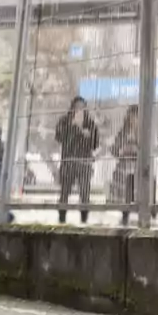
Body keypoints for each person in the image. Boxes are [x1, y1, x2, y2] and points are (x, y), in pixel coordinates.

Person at [54, 96, 100, 224]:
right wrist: (73, 126)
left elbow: (95, 144)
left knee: (85, 193)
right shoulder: (65, 121)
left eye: (82, 107)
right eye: (77, 107)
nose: (79, 110)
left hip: (84, 162)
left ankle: (84, 219)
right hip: (68, 161)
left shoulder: (90, 123)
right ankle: (61, 218)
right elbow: (58, 137)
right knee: (64, 192)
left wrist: (88, 135)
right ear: (72, 108)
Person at [110, 105, 140, 226]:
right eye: (131, 116)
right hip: (124, 167)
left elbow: (149, 149)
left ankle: (142, 215)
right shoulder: (123, 132)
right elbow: (113, 149)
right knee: (125, 194)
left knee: (135, 193)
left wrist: (136, 150)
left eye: (135, 117)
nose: (132, 119)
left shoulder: (143, 132)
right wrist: (120, 151)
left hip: (137, 166)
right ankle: (125, 217)